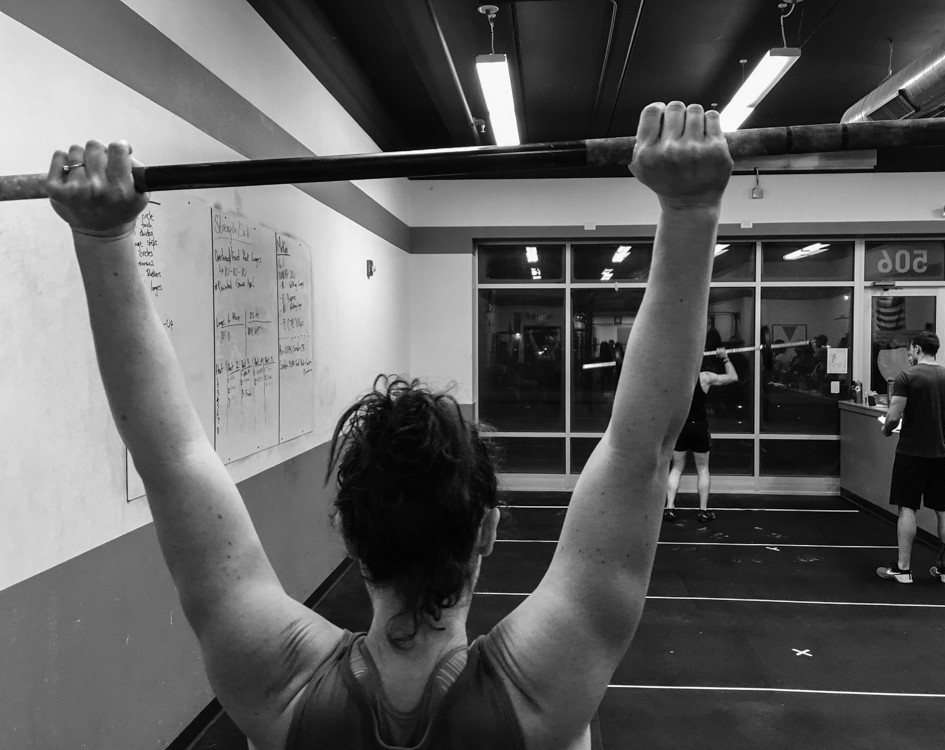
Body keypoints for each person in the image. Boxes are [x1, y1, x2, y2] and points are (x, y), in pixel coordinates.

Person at [46, 100, 732, 750]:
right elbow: (642, 449)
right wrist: (691, 209)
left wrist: (102, 239)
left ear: (347, 531)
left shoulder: (278, 687)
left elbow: (172, 459)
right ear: (488, 529)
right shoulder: (543, 693)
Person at [877, 332, 945, 585]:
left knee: (907, 508)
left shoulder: (907, 377)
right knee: (944, 509)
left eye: (910, 349)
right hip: (941, 455)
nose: (909, 354)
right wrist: (941, 430)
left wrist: (886, 430)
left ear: (917, 348)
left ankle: (903, 570)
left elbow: (893, 416)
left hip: (911, 454)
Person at [664, 346, 738, 523]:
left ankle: (669, 508)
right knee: (703, 469)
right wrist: (725, 358)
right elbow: (733, 377)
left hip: (680, 427)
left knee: (677, 467)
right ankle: (703, 511)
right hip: (698, 426)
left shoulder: (671, 380)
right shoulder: (704, 377)